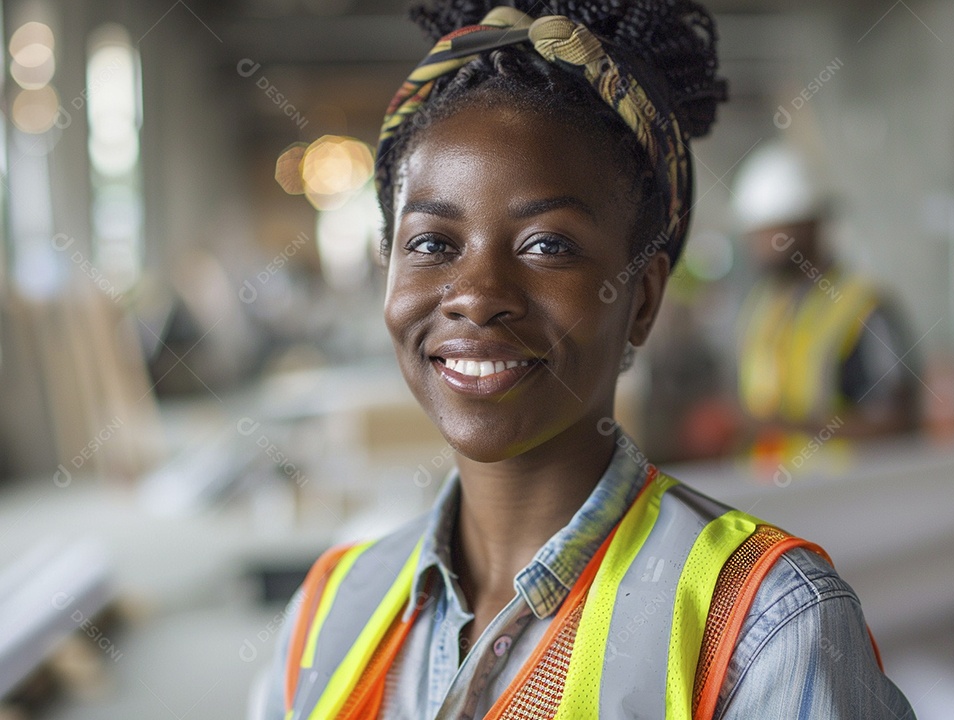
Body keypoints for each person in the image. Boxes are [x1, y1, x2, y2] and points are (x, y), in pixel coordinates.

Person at [259, 2, 916, 718]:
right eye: (432, 244)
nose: (476, 296)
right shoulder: (329, 609)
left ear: (642, 299)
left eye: (547, 245)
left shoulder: (765, 631)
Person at [729, 140, 919, 447]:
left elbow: (896, 422)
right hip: (767, 478)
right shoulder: (761, 307)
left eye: (772, 230)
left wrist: (779, 426)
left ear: (812, 225)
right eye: (754, 233)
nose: (759, 244)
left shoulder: (865, 307)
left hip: (842, 479)